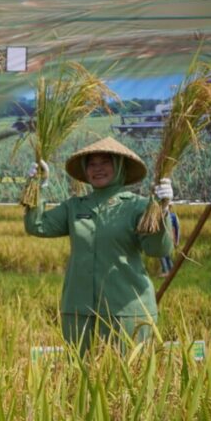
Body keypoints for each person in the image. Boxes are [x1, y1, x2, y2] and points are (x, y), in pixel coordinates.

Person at [23, 136, 174, 355]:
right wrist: (36, 186)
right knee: (80, 379)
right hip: (78, 312)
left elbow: (158, 249)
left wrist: (163, 210)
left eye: (105, 162)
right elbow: (36, 225)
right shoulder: (75, 207)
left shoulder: (137, 207)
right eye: (92, 164)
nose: (98, 169)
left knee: (127, 382)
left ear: (120, 166)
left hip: (126, 311)